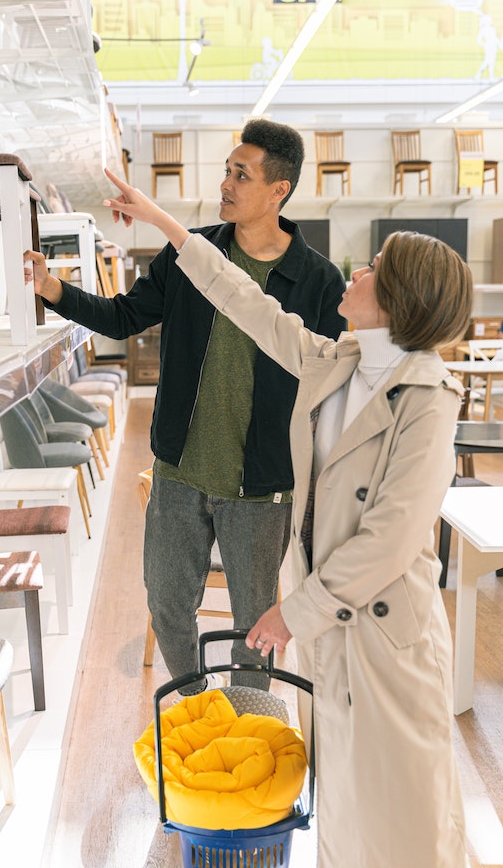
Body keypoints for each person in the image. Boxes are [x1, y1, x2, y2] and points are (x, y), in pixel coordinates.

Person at [99, 167, 471, 868]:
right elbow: (245, 301)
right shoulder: (339, 363)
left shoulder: (428, 397)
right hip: (335, 624)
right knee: (348, 804)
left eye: (377, 268)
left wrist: (291, 612)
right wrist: (167, 226)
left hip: (386, 634)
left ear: (400, 298)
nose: (357, 272)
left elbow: (390, 536)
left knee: (405, 808)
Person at [24, 119, 346, 693]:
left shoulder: (317, 279)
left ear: (279, 189)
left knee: (255, 628)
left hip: (263, 486)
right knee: (169, 608)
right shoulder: (187, 255)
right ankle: (200, 709)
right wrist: (53, 290)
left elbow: (332, 383)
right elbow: (123, 317)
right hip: (180, 472)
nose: (225, 183)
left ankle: (248, 728)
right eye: (226, 169)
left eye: (240, 175)